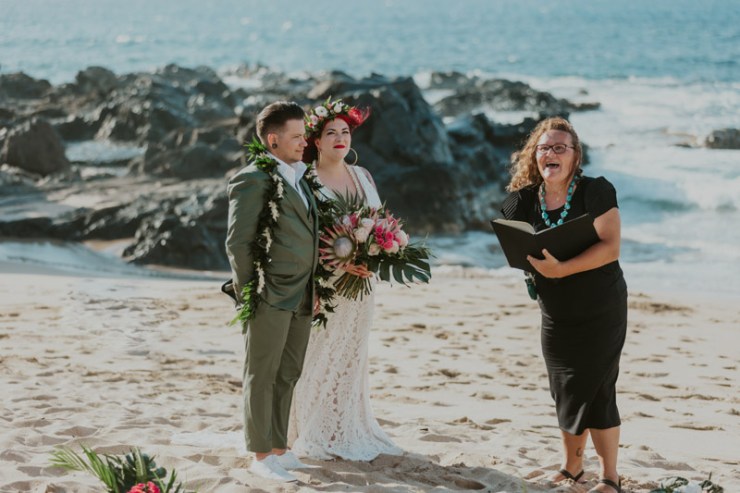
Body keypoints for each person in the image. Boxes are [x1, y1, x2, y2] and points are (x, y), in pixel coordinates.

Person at [501, 117, 627, 493]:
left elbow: (611, 247)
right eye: (544, 148)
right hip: (556, 310)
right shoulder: (521, 201)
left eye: (560, 147)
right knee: (565, 387)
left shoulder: (595, 191)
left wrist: (562, 269)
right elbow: (516, 248)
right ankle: (573, 468)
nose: (551, 153)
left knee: (598, 386)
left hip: (601, 305)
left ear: (575, 156)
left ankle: (610, 476)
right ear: (534, 155)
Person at [287, 98, 403, 461]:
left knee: (351, 356)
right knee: (316, 356)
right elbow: (301, 234)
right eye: (331, 133)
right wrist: (337, 260)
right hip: (323, 282)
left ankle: (341, 426)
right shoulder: (304, 179)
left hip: (362, 284)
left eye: (345, 132)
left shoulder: (363, 175)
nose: (340, 138)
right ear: (315, 141)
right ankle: (306, 428)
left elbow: (378, 221)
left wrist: (379, 251)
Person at [225, 101, 319, 482]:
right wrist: (252, 292)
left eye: (304, 135)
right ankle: (261, 454)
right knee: (262, 373)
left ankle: (279, 446)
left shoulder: (299, 177)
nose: (304, 142)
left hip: (302, 293)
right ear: (273, 140)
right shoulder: (252, 180)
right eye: (297, 136)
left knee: (288, 372)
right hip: (269, 293)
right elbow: (238, 243)